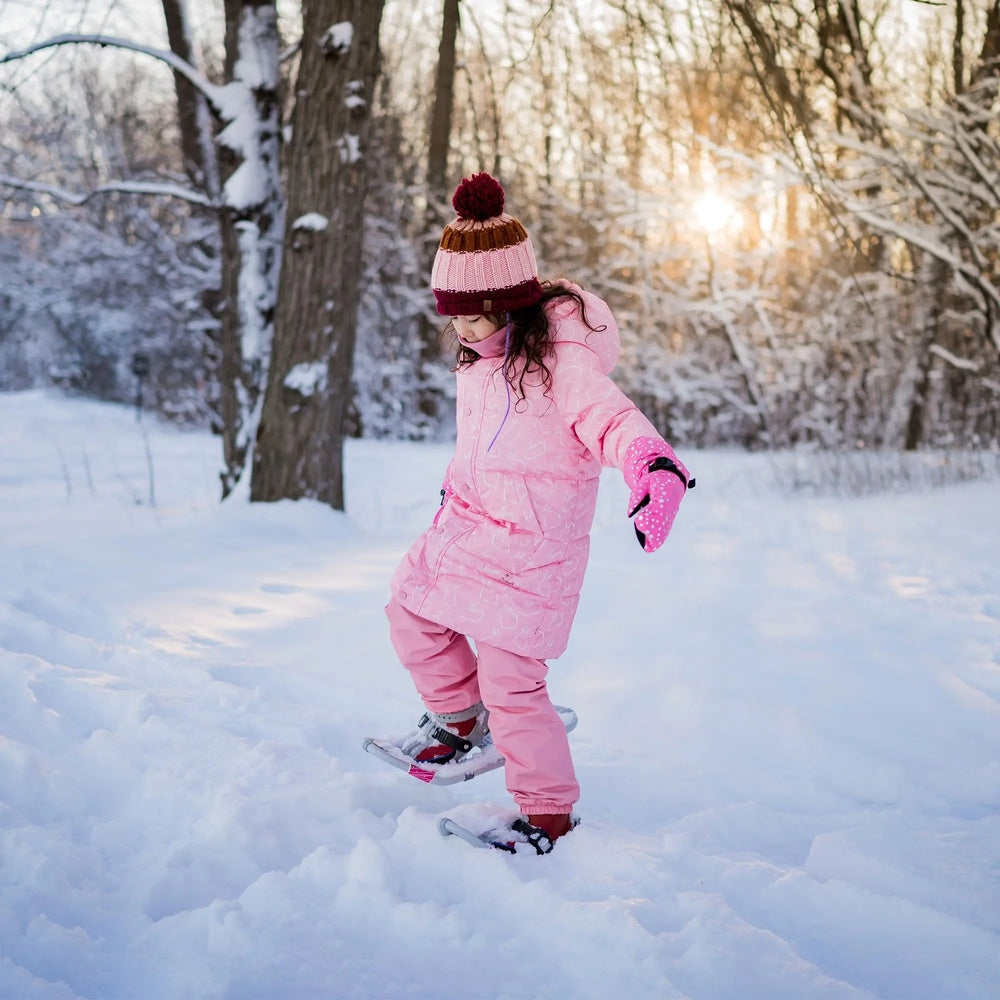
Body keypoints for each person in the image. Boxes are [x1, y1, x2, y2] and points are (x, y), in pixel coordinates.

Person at [385, 172, 692, 849]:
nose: (459, 329)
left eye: (469, 313)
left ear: (506, 303)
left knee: (513, 686)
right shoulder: (480, 359)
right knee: (408, 609)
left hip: (534, 553)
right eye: (452, 314)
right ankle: (460, 718)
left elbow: (611, 418)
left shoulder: (560, 361)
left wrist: (651, 465)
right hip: (469, 530)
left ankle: (546, 811)